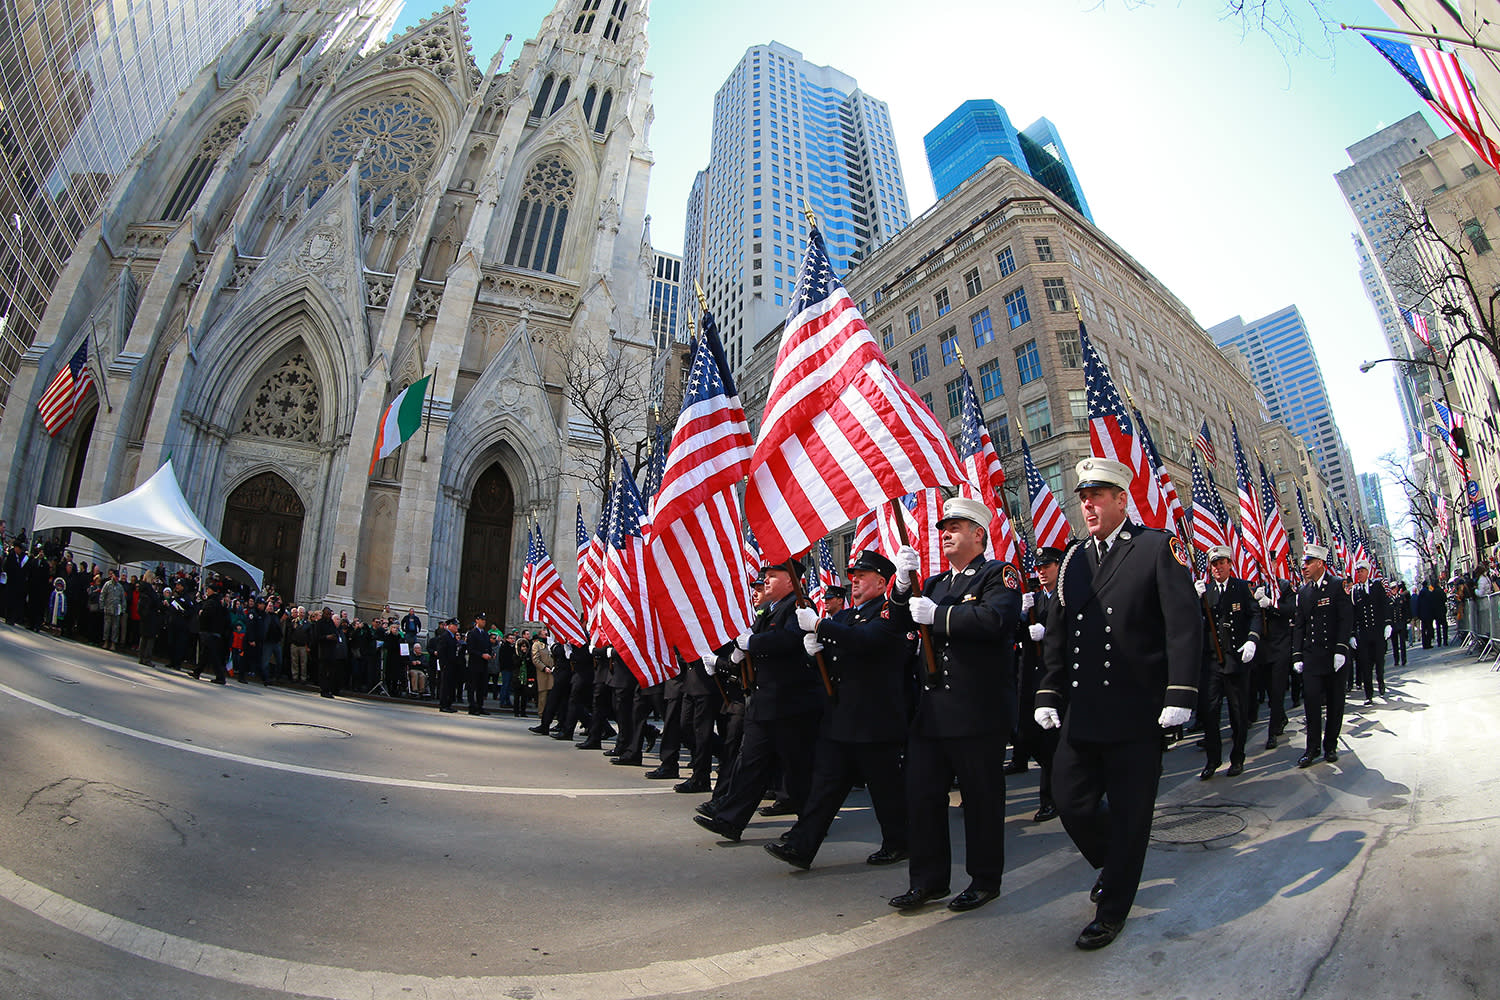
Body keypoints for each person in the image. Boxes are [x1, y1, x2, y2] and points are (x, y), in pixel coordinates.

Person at [1035, 457, 1202, 950]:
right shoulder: (1072, 560)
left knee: (1131, 814)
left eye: (1098, 496)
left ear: (1121, 499)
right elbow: (1058, 638)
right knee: (1070, 800)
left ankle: (1111, 909)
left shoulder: (1154, 547)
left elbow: (1183, 624)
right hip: (1084, 709)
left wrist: (1180, 693)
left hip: (1136, 707)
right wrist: (1048, 690)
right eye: (1083, 497)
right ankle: (1118, 862)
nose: (1087, 504)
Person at [886, 496, 1022, 914]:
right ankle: (928, 881)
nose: (945, 534)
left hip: (976, 710)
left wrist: (939, 615)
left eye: (955, 527)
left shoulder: (999, 575)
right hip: (933, 712)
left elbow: (995, 621)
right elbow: (902, 623)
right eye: (943, 528)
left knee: (981, 800)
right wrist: (905, 586)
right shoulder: (937, 584)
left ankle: (984, 879)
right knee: (922, 796)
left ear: (978, 534)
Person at [765, 549, 913, 871]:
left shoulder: (887, 613)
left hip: (875, 721)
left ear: (882, 582)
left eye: (862, 576)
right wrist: (812, 652)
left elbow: (863, 641)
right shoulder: (844, 618)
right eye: (853, 576)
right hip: (841, 718)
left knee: (886, 790)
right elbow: (830, 660)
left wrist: (819, 626)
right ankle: (802, 847)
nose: (855, 581)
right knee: (825, 787)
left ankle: (898, 843)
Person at [693, 556, 825, 843]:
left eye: (773, 575)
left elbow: (789, 640)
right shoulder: (769, 610)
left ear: (791, 580)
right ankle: (730, 820)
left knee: (798, 770)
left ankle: (809, 829)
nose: (765, 580)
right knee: (750, 763)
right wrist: (735, 654)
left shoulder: (801, 606)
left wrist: (752, 643)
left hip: (792, 703)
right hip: (765, 701)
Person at [1194, 546, 1262, 780]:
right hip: (1212, 662)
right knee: (1210, 712)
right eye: (1214, 564)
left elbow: (1254, 615)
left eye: (1222, 563)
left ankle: (1238, 757)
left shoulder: (1242, 588)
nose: (1218, 567)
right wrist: (1195, 600)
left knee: (1237, 712)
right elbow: (1196, 624)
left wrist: (1252, 639)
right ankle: (1213, 760)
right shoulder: (1206, 591)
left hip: (1235, 660)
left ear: (1230, 565)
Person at [1009, 546, 1065, 821]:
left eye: (1048, 566)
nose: (1041, 572)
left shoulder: (1068, 597)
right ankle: (1063, 776)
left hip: (1057, 680)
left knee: (1052, 740)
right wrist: (1021, 616)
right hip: (1032, 677)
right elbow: (1015, 634)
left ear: (1059, 566)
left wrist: (1049, 633)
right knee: (1027, 737)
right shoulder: (1034, 600)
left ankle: (1051, 798)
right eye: (1039, 568)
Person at [1292, 544, 1354, 768]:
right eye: (1303, 564)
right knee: (1311, 703)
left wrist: (1340, 649)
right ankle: (1312, 748)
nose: (1304, 567)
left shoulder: (1337, 586)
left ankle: (1330, 746)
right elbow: (1300, 626)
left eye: (1308, 563)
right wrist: (1297, 655)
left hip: (1333, 656)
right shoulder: (1304, 591)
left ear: (1320, 563)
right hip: (1312, 657)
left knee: (1336, 702)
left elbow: (1345, 620)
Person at [1255, 574, 1297, 750]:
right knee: (1270, 691)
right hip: (1262, 647)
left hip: (1280, 644)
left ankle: (1272, 732)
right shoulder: (1253, 583)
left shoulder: (1284, 586)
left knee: (1278, 688)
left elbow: (1290, 608)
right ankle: (1281, 716)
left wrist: (1271, 604)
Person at [1351, 560, 1392, 705]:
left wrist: (1387, 624)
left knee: (1379, 661)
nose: (1359, 574)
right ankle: (1369, 694)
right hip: (1363, 635)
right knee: (1365, 665)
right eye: (1358, 572)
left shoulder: (1376, 586)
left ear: (1367, 572)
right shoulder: (1355, 590)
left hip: (1377, 631)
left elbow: (1385, 605)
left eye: (1362, 571)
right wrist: (1352, 634)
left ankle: (1380, 681)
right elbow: (1353, 613)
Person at [194, 584, 231, 685]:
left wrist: (201, 613)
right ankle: (197, 671)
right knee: (205, 653)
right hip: (214, 632)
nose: (207, 591)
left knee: (213, 656)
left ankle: (220, 677)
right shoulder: (219, 603)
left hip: (209, 631)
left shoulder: (212, 602)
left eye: (209, 589)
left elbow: (207, 615)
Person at [465, 615, 494, 715]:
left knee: (481, 686)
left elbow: (488, 646)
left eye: (485, 620)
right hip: (475, 663)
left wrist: (491, 654)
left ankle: (480, 705)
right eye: (482, 620)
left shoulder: (485, 634)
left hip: (484, 664)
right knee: (472, 686)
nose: (484, 622)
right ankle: (472, 706)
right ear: (477, 620)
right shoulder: (472, 633)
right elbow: (471, 649)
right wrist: (481, 654)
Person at [434, 619, 461, 712]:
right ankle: (443, 705)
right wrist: (443, 664)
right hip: (447, 664)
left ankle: (448, 704)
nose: (457, 627)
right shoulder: (445, 636)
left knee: (451, 685)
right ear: (449, 626)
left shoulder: (452, 637)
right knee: (445, 685)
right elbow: (441, 651)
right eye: (455, 625)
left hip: (453, 664)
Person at [1391, 582, 1410, 668]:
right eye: (1392, 588)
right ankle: (1396, 660)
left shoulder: (1401, 597)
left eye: (1395, 588)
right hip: (1393, 625)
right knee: (1395, 644)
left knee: (1402, 643)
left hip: (1401, 623)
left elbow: (1406, 609)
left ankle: (1404, 659)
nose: (1394, 590)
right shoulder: (1389, 599)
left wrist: (1407, 620)